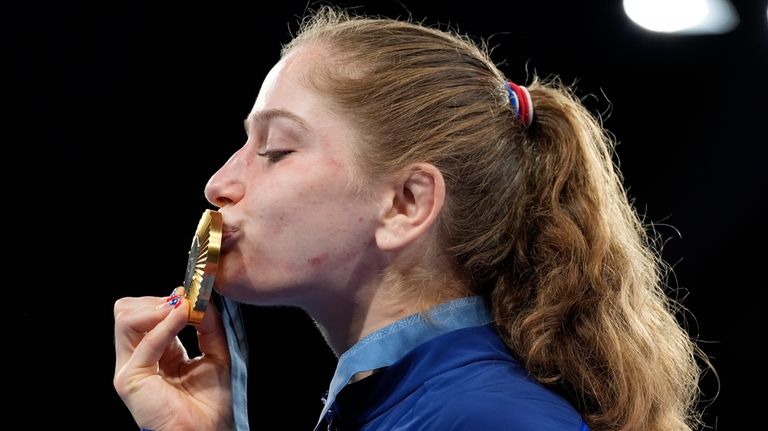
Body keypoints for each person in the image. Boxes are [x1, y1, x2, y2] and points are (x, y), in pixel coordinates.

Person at [113, 6, 707, 431]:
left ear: (406, 205)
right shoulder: (411, 407)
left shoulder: (490, 419)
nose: (220, 184)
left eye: (274, 150)